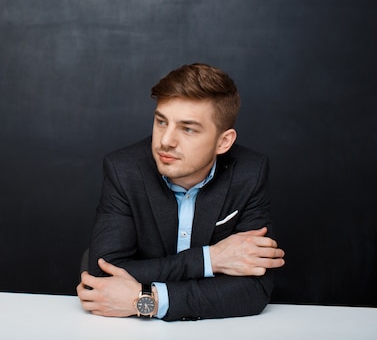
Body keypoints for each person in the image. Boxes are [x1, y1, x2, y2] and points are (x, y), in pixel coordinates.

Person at [77, 63, 286, 321]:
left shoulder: (249, 174)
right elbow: (103, 278)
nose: (166, 140)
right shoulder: (124, 170)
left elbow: (254, 290)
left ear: (224, 142)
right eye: (161, 121)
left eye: (188, 129)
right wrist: (210, 259)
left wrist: (149, 300)